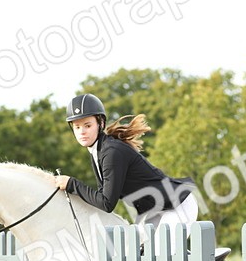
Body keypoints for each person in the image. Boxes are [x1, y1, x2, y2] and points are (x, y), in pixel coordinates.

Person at [54, 93, 197, 235]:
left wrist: (71, 184)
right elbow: (100, 196)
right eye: (77, 127)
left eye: (87, 125)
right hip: (155, 211)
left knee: (160, 253)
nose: (82, 132)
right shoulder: (97, 151)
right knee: (135, 250)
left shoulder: (111, 152)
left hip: (177, 206)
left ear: (100, 124)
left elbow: (106, 203)